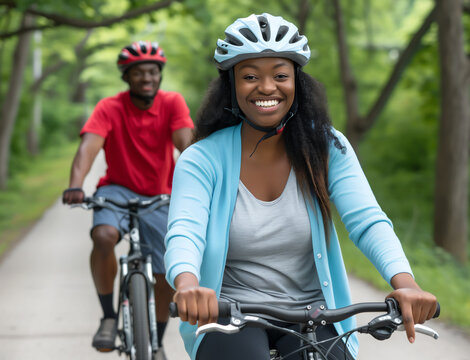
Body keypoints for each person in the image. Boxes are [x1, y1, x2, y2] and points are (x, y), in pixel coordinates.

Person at [165, 13, 437, 360]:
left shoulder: (325, 148)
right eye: (250, 76)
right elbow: (185, 230)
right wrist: (189, 286)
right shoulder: (202, 158)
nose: (266, 87)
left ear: (297, 82)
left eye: (280, 75)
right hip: (228, 315)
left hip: (314, 314)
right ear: (231, 85)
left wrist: (406, 284)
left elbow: (367, 221)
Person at [63, 40, 194, 359]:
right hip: (117, 189)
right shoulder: (110, 107)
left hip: (162, 192)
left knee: (167, 269)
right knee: (104, 235)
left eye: (153, 72)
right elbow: (89, 147)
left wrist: (202, 184)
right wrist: (76, 184)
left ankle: (158, 340)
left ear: (160, 75)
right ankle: (108, 316)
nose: (147, 78)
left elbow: (187, 147)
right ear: (127, 77)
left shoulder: (172, 103)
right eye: (139, 73)